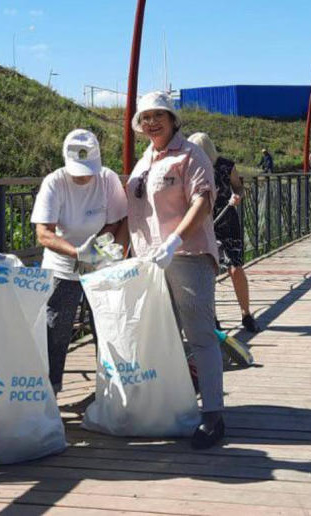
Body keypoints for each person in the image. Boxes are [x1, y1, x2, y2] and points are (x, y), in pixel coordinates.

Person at [128, 91, 225, 449]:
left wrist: (174, 241)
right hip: (149, 261)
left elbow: (203, 200)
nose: (152, 122)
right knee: (163, 336)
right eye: (146, 117)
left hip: (187, 255)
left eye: (159, 115)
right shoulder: (145, 160)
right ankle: (172, 406)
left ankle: (213, 415)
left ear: (172, 120)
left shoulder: (190, 154)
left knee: (199, 334)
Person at [30, 129, 128, 395]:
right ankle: (50, 390)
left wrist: (100, 252)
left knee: (106, 326)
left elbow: (117, 221)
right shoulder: (54, 182)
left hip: (100, 263)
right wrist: (76, 253)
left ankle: (109, 388)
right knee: (55, 328)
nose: (83, 176)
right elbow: (44, 233)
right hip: (62, 265)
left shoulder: (107, 179)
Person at [188, 132, 259, 334]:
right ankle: (212, 317)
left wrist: (237, 197)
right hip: (203, 222)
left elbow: (239, 188)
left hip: (227, 220)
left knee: (235, 267)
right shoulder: (190, 168)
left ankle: (246, 314)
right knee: (207, 270)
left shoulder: (226, 166)